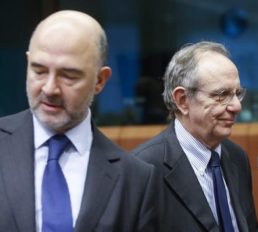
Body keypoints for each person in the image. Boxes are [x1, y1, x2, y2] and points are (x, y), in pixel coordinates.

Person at [0, 10, 157, 232]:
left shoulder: (135, 179)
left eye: (69, 76)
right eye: (39, 70)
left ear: (100, 80)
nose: (49, 88)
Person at [132, 41, 258, 232]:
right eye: (222, 95)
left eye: (237, 94)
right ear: (183, 100)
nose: (236, 106)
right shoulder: (143, 170)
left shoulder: (237, 157)